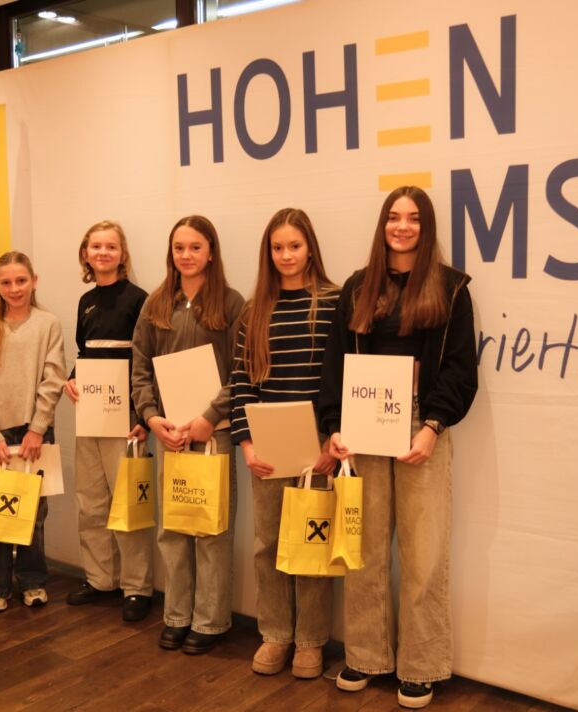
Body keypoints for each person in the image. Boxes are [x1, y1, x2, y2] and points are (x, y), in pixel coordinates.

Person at [317, 186, 478, 709]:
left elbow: (460, 368)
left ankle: (422, 665)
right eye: (393, 217)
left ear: (425, 228)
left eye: (412, 218)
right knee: (363, 548)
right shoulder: (358, 286)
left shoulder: (451, 288)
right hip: (362, 424)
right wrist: (334, 426)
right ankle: (365, 656)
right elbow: (335, 361)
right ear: (382, 224)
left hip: (420, 424)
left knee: (423, 551)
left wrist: (432, 426)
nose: (402, 226)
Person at [230, 208, 340, 678]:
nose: (286, 255)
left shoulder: (335, 302)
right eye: (277, 248)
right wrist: (247, 445)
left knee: (311, 542)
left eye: (294, 246)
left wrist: (332, 443)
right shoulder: (254, 310)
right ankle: (275, 633)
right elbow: (241, 381)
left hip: (318, 440)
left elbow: (344, 376)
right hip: (269, 441)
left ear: (310, 248)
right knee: (269, 543)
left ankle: (311, 641)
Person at [131, 215, 244, 655]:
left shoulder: (231, 303)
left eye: (195, 247)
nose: (186, 255)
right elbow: (140, 367)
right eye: (179, 248)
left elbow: (242, 369)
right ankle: (176, 615)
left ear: (211, 252)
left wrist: (210, 416)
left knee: (212, 529)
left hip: (213, 433)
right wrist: (152, 417)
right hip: (169, 435)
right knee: (174, 528)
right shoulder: (156, 303)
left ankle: (211, 621)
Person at [62, 220, 154, 622]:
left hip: (126, 418)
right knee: (91, 502)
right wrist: (72, 379)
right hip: (90, 415)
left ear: (122, 254)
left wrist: (142, 415)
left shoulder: (139, 299)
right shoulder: (85, 301)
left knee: (127, 505)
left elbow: (145, 360)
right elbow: (85, 354)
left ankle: (137, 587)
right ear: (85, 254)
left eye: (110, 246)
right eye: (96, 246)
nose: (103, 252)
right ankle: (100, 579)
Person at [0, 251, 66, 613]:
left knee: (33, 515)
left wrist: (37, 428)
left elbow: (53, 378)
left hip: (33, 435)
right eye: (6, 282)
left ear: (33, 281)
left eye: (21, 281)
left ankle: (33, 580)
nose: (14, 288)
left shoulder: (48, 324)